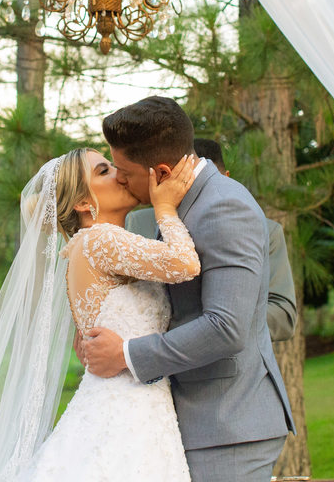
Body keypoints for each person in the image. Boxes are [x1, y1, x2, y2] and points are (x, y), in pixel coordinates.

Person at [0, 147, 203, 481]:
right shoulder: (100, 240)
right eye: (104, 171)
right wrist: (165, 207)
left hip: (130, 408)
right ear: (84, 202)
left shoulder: (89, 246)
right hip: (124, 413)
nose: (119, 173)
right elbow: (185, 264)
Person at [82, 96, 294, 482]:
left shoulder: (224, 207)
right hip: (181, 419)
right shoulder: (175, 204)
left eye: (124, 172)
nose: (120, 179)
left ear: (161, 171)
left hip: (226, 426)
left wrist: (125, 354)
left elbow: (226, 327)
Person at [125, 137, 298, 343]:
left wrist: (215, 322)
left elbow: (283, 315)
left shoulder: (267, 231)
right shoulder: (137, 224)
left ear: (226, 179)